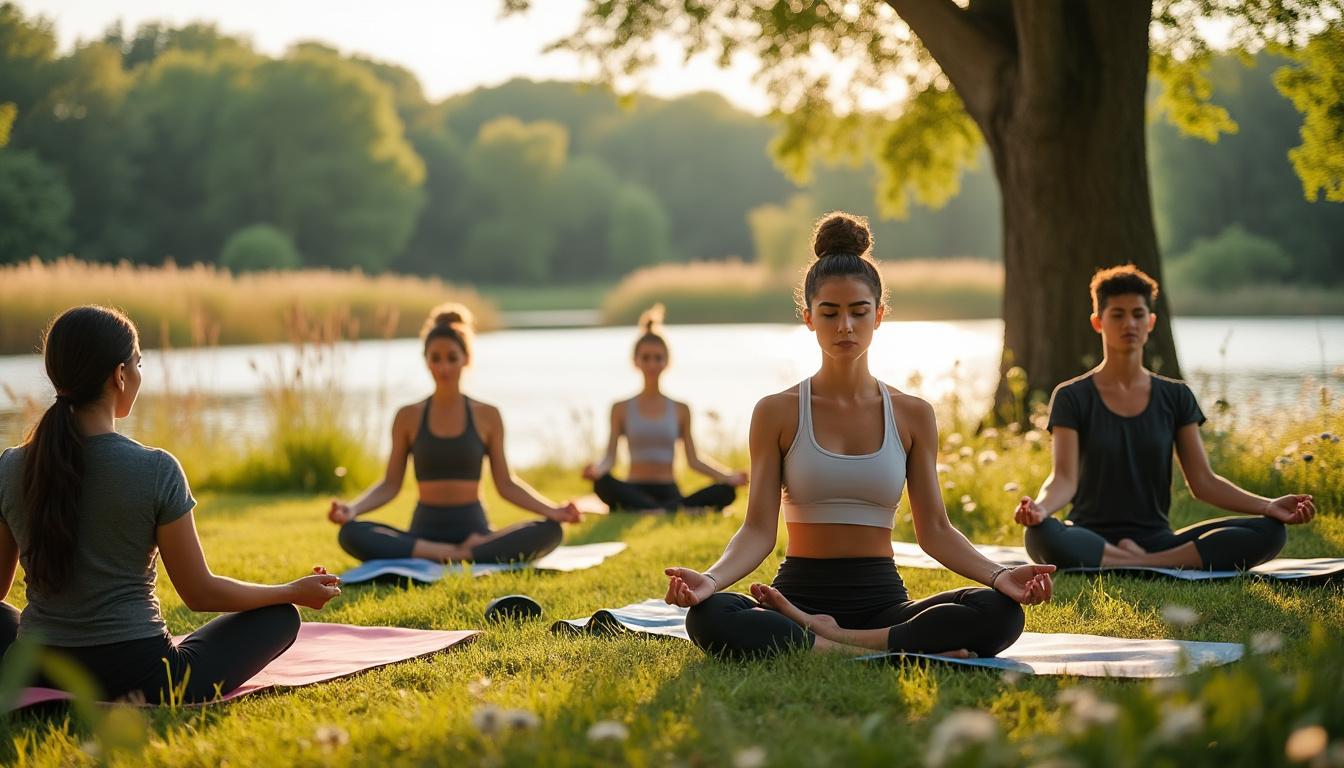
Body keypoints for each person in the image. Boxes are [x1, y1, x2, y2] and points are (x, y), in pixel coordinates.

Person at [663, 212, 1055, 660]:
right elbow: (756, 530)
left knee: (999, 612)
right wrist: (710, 581)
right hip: (794, 598)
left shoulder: (913, 415)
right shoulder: (777, 412)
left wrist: (999, 574)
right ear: (808, 318)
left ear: (879, 315)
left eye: (858, 311)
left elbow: (936, 531)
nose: (845, 325)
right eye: (829, 313)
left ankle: (830, 642)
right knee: (710, 616)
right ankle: (850, 641)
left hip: (883, 602)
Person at [0, 306, 340, 703]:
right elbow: (199, 592)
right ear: (120, 375)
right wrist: (291, 591)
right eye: (138, 363)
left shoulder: (10, 466)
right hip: (145, 678)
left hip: (39, 667)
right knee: (280, 616)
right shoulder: (155, 468)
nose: (140, 376)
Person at [1016, 265, 1315, 570]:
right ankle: (1144, 562)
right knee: (1041, 534)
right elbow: (1064, 480)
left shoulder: (1176, 396)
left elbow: (1203, 482)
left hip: (1157, 538)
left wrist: (1269, 505)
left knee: (1270, 531)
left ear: (1151, 321)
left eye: (1138, 314)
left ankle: (1141, 561)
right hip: (1088, 536)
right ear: (1098, 322)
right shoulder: (1071, 396)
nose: (1129, 323)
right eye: (1117, 314)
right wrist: (1039, 509)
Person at [330, 303, 580, 563]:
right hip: (424, 533)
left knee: (551, 530)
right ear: (426, 361)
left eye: (452, 358)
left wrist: (553, 510)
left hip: (475, 530)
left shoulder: (488, 415)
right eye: (435, 358)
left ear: (466, 359)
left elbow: (506, 484)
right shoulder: (408, 416)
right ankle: (452, 554)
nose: (444, 367)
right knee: (350, 533)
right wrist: (352, 509)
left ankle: (465, 551)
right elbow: (390, 484)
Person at [582, 304, 747, 513]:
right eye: (646, 358)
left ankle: (654, 509)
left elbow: (694, 460)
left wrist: (728, 476)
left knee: (726, 491)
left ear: (667, 361)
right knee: (602, 483)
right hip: (633, 489)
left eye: (657, 358)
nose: (652, 364)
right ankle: (667, 510)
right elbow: (610, 458)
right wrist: (597, 470)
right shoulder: (620, 408)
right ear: (635, 361)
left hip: (668, 489)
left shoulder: (681, 409)